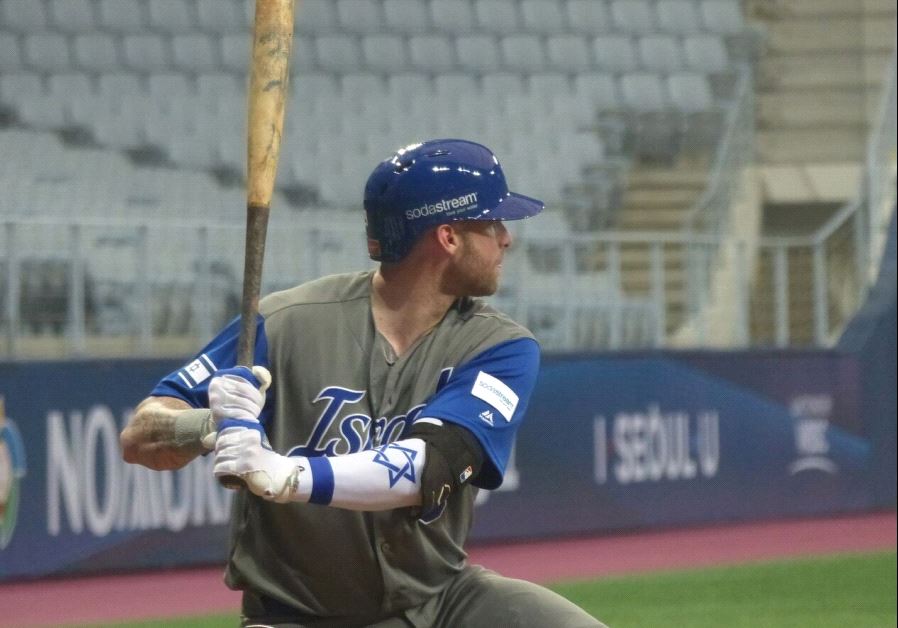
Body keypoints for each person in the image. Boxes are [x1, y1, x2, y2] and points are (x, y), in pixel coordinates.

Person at [121, 139, 605, 627]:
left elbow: (431, 465)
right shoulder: (286, 323)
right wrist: (212, 425)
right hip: (297, 615)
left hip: (438, 605)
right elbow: (139, 437)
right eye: (492, 222)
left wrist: (286, 474)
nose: (506, 238)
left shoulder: (499, 346)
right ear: (448, 237)